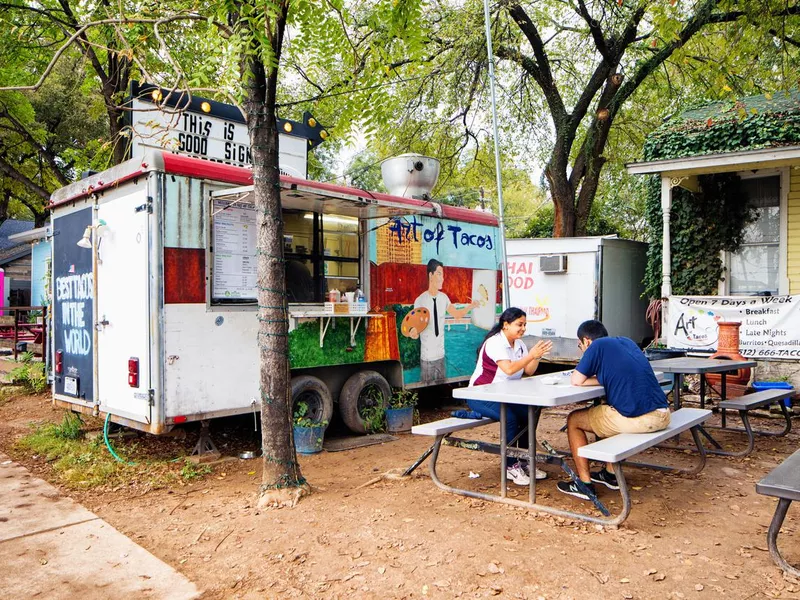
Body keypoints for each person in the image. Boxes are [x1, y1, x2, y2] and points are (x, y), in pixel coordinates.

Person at [557, 319, 671, 500]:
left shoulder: (595, 347)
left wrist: (592, 376)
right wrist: (604, 378)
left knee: (574, 420)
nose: (582, 350)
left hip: (642, 420)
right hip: (663, 414)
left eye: (580, 346)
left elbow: (576, 381)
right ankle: (610, 474)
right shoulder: (626, 341)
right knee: (608, 411)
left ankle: (584, 484)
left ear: (586, 341)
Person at [467, 307, 553, 486]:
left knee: (529, 412)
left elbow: (528, 371)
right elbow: (509, 369)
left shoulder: (519, 344)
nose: (523, 328)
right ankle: (510, 466)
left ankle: (523, 460)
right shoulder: (495, 342)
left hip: (504, 396)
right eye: (519, 325)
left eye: (525, 325)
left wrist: (537, 356)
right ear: (505, 325)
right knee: (511, 418)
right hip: (481, 394)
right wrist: (531, 355)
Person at [408, 259, 479, 382]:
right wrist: (413, 333)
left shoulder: (444, 298)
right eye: (439, 274)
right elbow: (415, 328)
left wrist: (470, 306)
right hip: (427, 358)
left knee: (442, 390)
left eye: (443, 275)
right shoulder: (420, 300)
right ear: (431, 275)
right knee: (427, 391)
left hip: (441, 356)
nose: (442, 278)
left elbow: (456, 314)